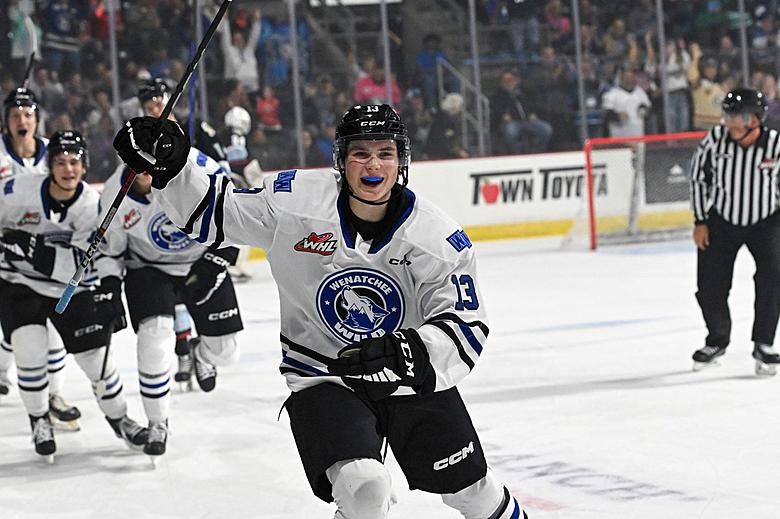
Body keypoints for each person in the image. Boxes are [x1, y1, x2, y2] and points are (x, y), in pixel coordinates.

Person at [113, 105, 526, 518]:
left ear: (401, 161)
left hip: (407, 381)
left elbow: (465, 325)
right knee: (365, 488)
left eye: (385, 152)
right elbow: (219, 214)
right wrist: (173, 166)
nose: (373, 164)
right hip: (324, 374)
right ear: (341, 161)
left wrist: (406, 351)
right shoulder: (297, 204)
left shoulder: (435, 238)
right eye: (360, 153)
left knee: (474, 492)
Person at [0, 130, 148, 460]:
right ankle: (39, 418)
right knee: (29, 350)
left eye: (75, 162)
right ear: (49, 166)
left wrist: (31, 247)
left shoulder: (90, 206)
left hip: (69, 289)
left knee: (98, 364)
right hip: (18, 284)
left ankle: (120, 419)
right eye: (61, 162)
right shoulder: (14, 192)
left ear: (85, 167)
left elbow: (76, 267)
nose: (68, 169)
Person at [95, 149, 245, 456]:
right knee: (154, 340)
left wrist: (218, 259)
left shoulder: (198, 172)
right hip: (149, 269)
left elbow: (235, 215)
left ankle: (200, 354)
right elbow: (110, 251)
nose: (147, 169)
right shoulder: (114, 194)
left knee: (226, 352)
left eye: (152, 161)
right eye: (139, 162)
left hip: (200, 261)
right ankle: (157, 423)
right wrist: (109, 287)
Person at [0, 87, 82, 429]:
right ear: (6, 121)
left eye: (29, 115)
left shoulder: (53, 153)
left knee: (50, 328)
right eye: (16, 115)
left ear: (37, 119)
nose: (23, 121)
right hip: (5, 254)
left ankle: (54, 396)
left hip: (43, 253)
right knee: (14, 329)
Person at [689, 88, 780, 375]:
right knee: (709, 286)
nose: (729, 122)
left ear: (755, 119)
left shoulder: (775, 144)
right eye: (727, 115)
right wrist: (701, 220)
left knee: (773, 281)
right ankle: (717, 339)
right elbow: (697, 177)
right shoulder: (716, 140)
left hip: (766, 222)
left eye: (737, 116)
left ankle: (764, 344)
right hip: (722, 221)